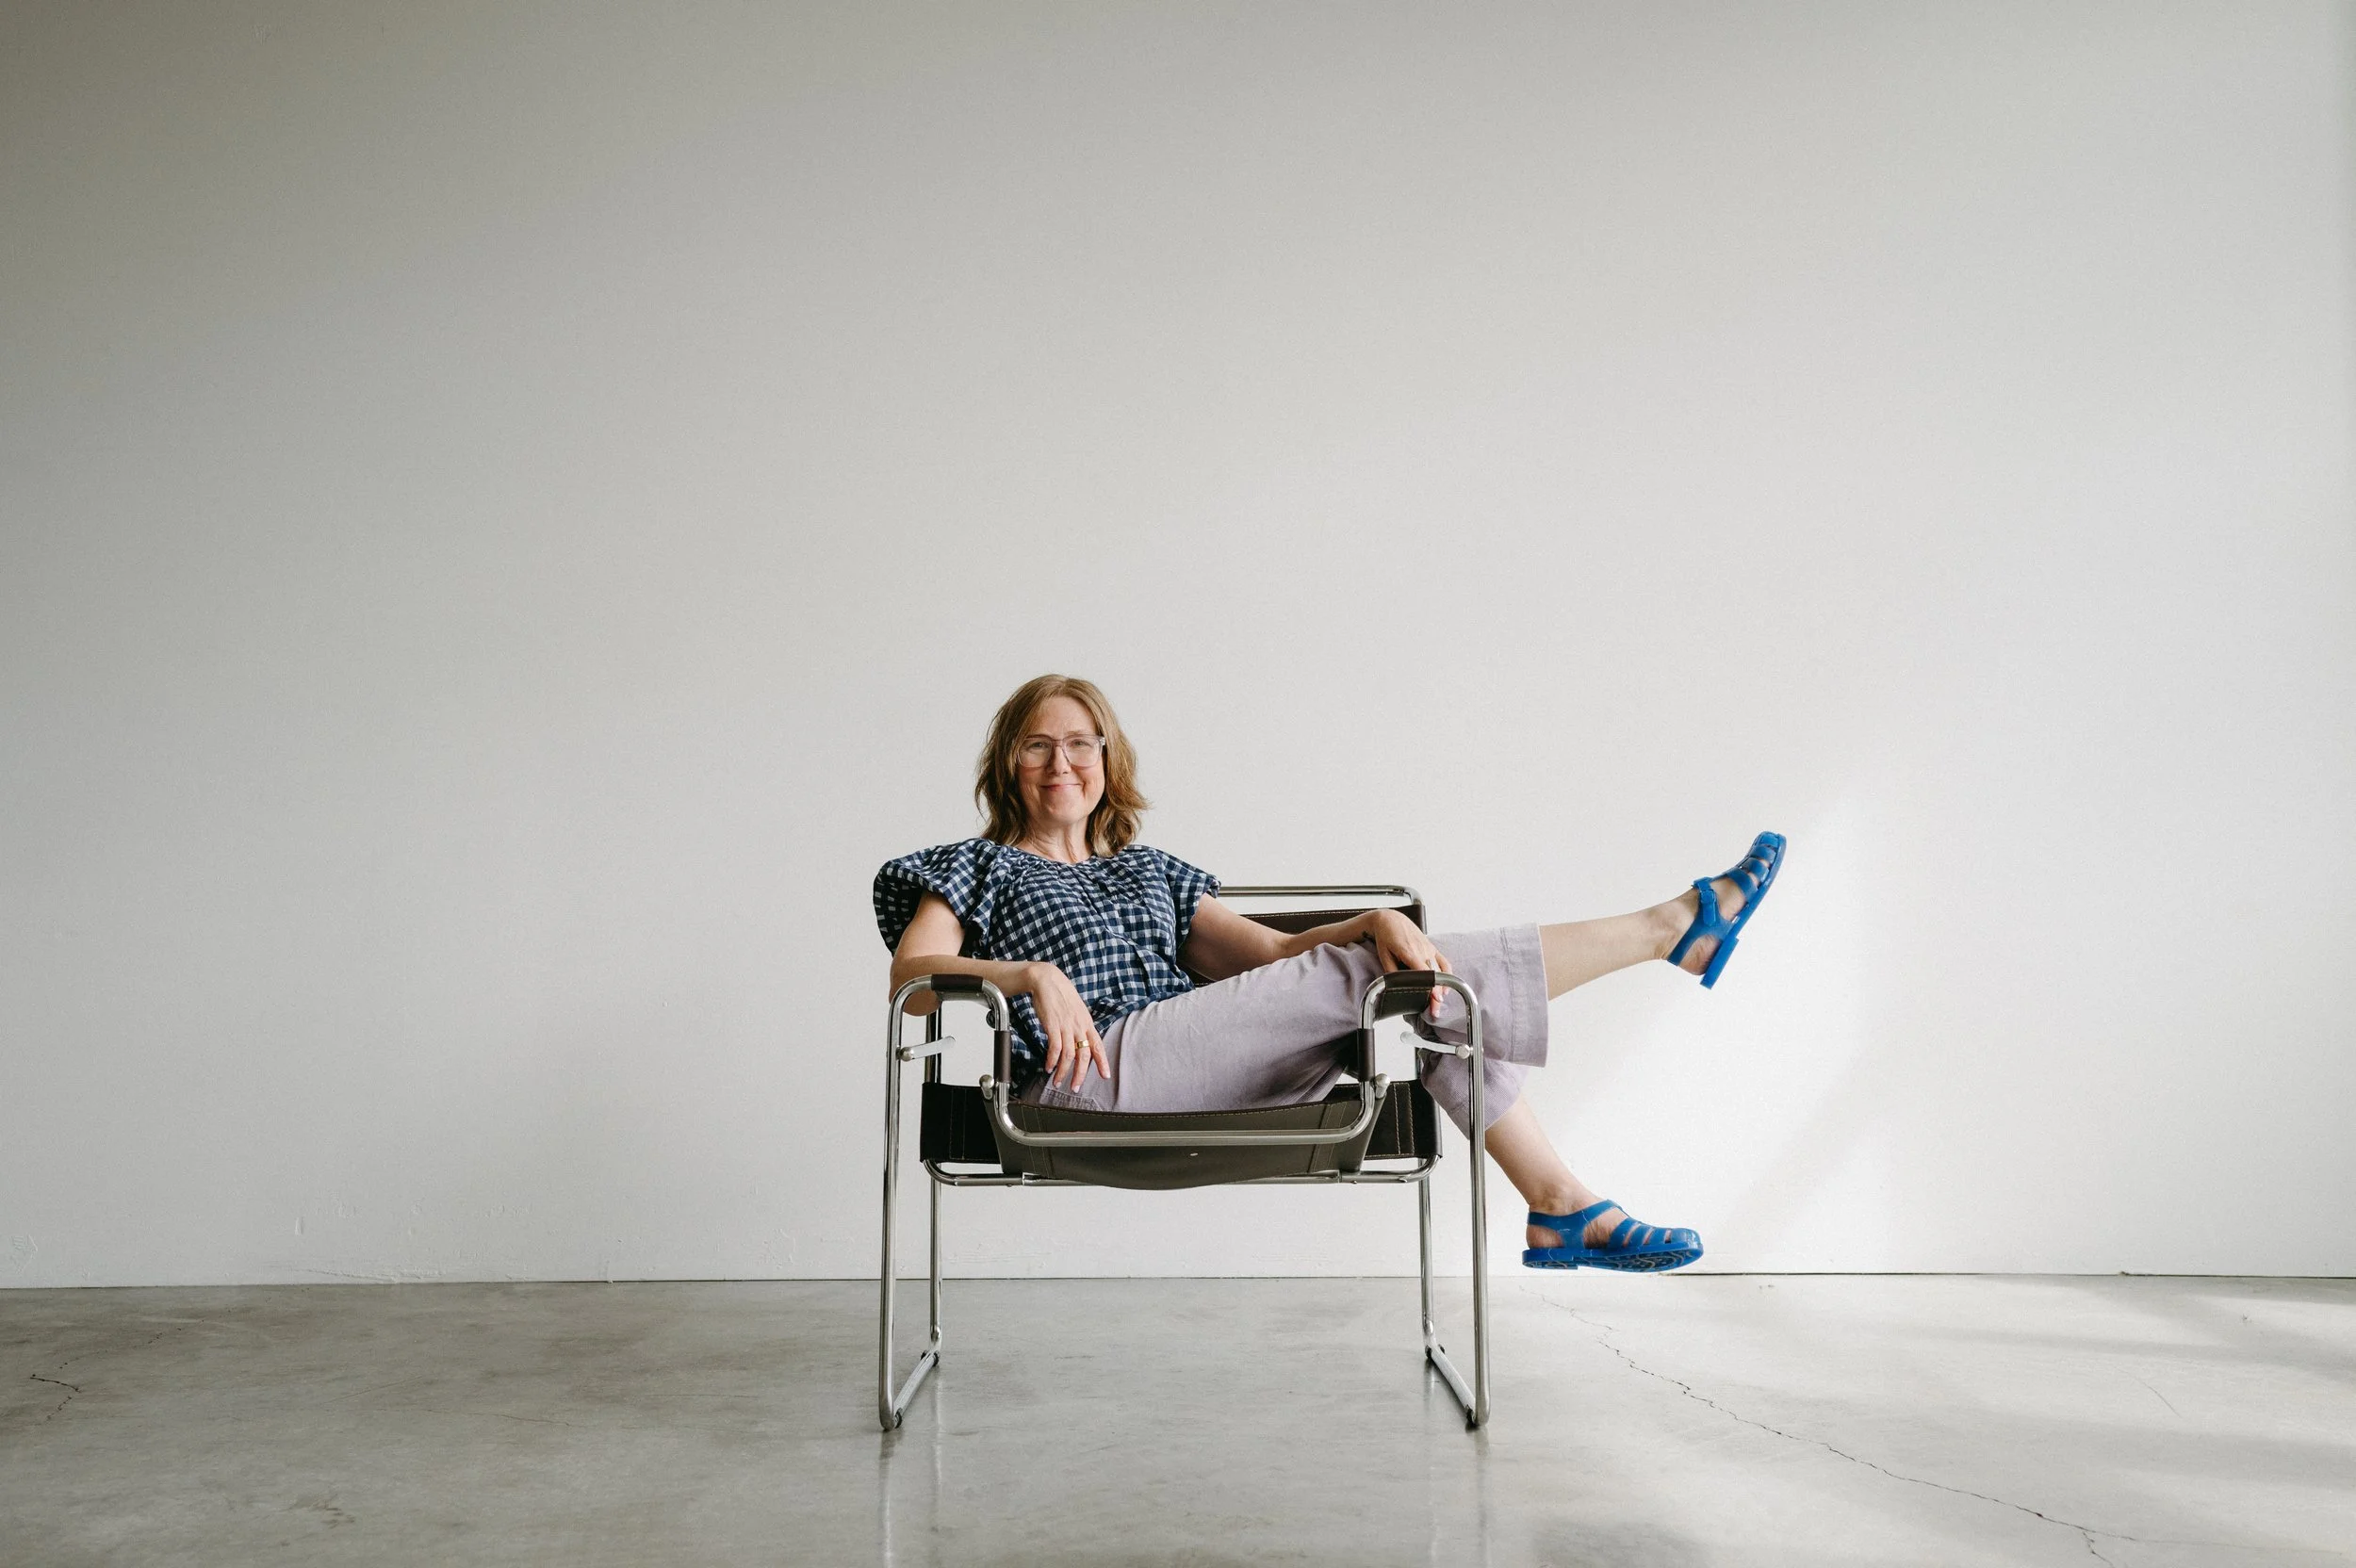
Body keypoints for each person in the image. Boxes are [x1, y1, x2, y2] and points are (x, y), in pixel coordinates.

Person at [874, 674, 1786, 1272]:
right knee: (1382, 983)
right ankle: (1671, 928)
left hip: (1198, 1071)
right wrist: (1030, 974)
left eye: (1080, 742)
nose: (1060, 760)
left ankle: (1559, 1206)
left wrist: (1371, 920)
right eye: (1037, 743)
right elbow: (913, 975)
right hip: (1088, 1081)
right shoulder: (972, 866)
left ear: (1108, 763)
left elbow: (1272, 956)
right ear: (1008, 762)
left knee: (1419, 1004)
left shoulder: (1149, 870)